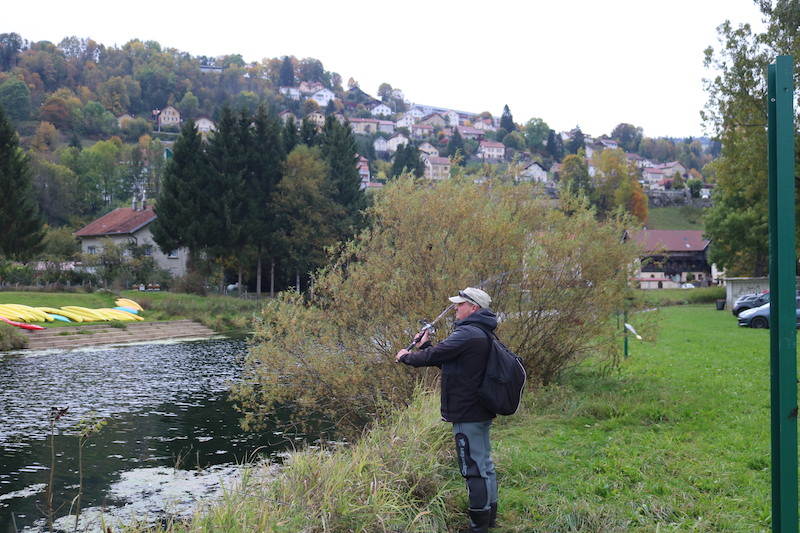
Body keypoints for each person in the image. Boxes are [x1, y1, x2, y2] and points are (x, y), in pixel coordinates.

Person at [396, 287, 498, 533]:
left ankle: (478, 528)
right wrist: (426, 345)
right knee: (484, 465)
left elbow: (436, 355)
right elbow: (449, 362)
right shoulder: (480, 332)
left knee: (473, 469)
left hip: (467, 411)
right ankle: (488, 521)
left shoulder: (467, 333)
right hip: (478, 408)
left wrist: (406, 356)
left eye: (460, 304)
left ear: (473, 308)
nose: (455, 308)